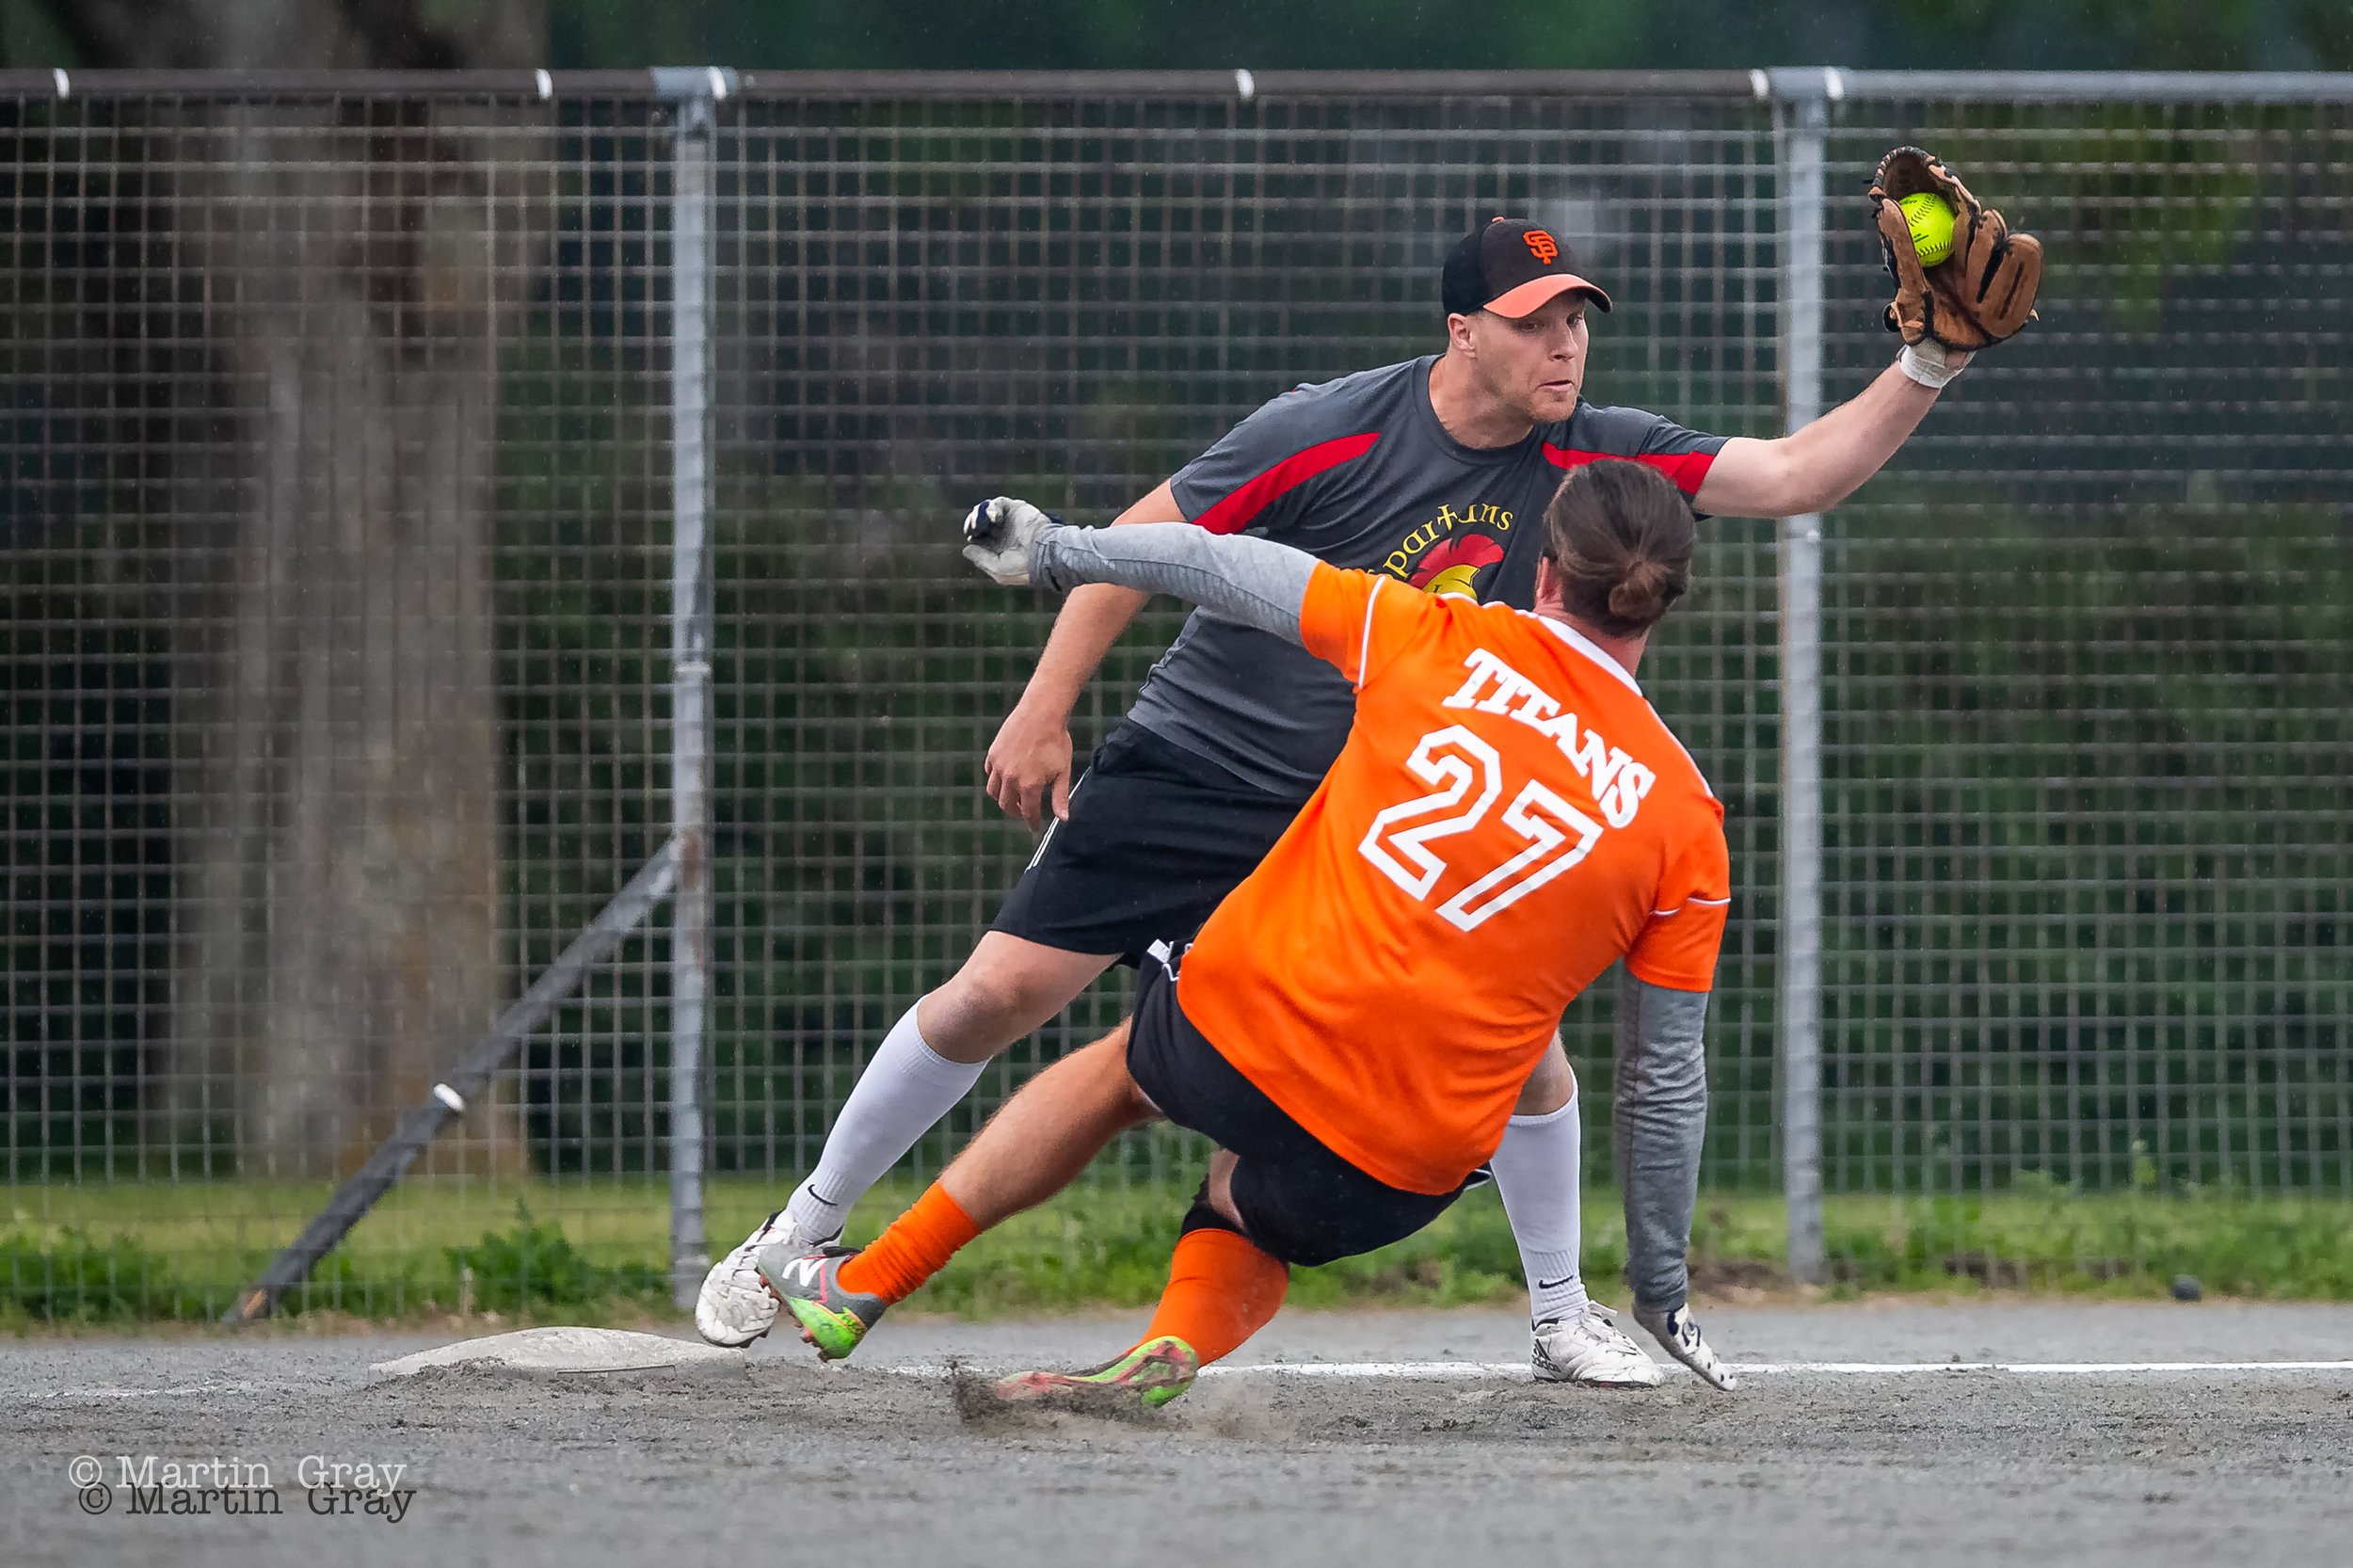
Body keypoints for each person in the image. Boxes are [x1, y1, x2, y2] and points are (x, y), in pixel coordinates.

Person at [699, 214, 1980, 1384]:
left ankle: (1559, 1312)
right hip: (1201, 763)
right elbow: (1157, 542)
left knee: (1522, 1047)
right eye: (1534, 320)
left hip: (1348, 807)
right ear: (1461, 331)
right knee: (998, 991)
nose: (1565, 343)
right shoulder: (1329, 426)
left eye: (1577, 317)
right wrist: (1044, 703)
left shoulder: (1595, 457)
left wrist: (1927, 366)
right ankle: (802, 1230)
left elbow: (1797, 474)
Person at [760, 461, 1736, 1408]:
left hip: (1246, 1036)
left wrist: (1058, 551)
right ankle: (1173, 1343)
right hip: (1408, 1163)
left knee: (1123, 1075)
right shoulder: (1686, 820)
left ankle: (865, 1281)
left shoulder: (1427, 630)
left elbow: (1212, 562)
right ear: (1664, 599)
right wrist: (1660, 1287)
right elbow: (1661, 1084)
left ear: (1545, 572)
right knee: (1246, 1207)